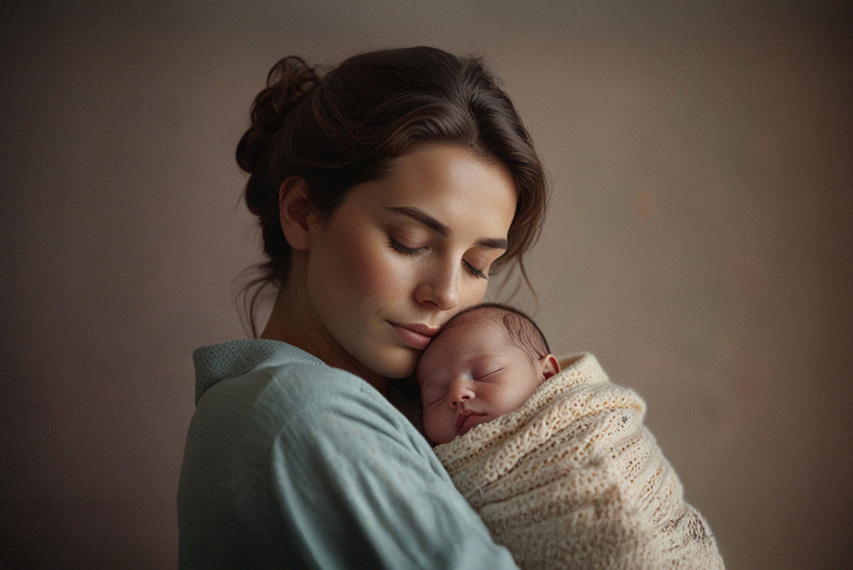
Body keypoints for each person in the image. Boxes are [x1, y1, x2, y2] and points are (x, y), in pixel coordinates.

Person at [177, 46, 548, 569]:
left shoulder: (272, 405)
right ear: (302, 213)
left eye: (477, 265)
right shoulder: (307, 413)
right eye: (409, 241)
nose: (445, 294)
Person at [416, 304, 725, 569]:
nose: (457, 394)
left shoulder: (589, 419)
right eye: (435, 395)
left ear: (547, 373)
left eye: (484, 373)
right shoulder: (430, 468)